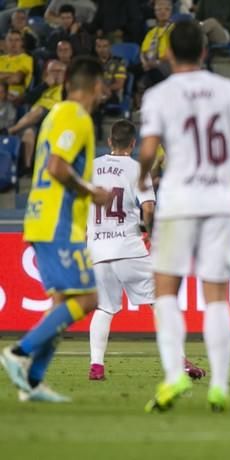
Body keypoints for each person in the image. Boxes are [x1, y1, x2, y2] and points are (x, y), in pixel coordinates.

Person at [137, 21, 230, 412]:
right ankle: (221, 386)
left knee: (165, 291)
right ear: (204, 52)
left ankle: (174, 375)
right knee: (215, 296)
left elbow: (147, 150)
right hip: (219, 203)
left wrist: (144, 176)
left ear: (166, 53)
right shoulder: (226, 89)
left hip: (179, 202)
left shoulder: (159, 94)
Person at [0, 56, 110, 403]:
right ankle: (19, 352)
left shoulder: (54, 115)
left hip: (45, 216)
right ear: (95, 85)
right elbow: (57, 165)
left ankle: (32, 382)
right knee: (89, 297)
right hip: (57, 220)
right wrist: (91, 192)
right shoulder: (76, 116)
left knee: (62, 303)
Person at [87, 120, 205, 382]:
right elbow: (149, 208)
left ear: (109, 141)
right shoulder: (137, 169)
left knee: (105, 308)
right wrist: (153, 235)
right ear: (132, 144)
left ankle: (96, 365)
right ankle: (178, 361)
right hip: (127, 246)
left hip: (97, 249)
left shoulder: (91, 167)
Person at [8, 60, 65, 173]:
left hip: (55, 117)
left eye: (60, 71)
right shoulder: (42, 87)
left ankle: (12, 129)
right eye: (53, 71)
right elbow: (26, 99)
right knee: (29, 133)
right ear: (47, 73)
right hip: (35, 120)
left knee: (39, 110)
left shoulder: (67, 88)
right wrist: (45, 85)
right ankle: (28, 168)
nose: (57, 74)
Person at [0, 29, 33, 103]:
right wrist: (10, 74)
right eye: (10, 40)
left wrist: (2, 75)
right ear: (6, 42)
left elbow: (15, 79)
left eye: (17, 40)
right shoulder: (1, 59)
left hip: (14, 95)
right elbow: (11, 78)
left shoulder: (27, 59)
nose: (13, 43)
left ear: (22, 42)